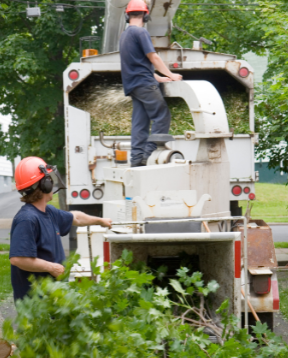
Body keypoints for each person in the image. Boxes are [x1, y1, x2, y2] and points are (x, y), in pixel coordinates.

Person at [9, 156, 112, 301]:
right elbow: (18, 258)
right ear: (44, 184)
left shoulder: (49, 212)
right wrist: (52, 267)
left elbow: (75, 217)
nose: (52, 182)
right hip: (36, 305)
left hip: (53, 298)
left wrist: (100, 221)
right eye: (49, 179)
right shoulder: (27, 219)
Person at [119, 0, 182, 167]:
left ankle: (136, 160)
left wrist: (158, 77)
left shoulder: (124, 36)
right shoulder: (140, 33)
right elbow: (152, 57)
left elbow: (136, 63)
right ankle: (148, 155)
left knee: (140, 122)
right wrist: (170, 74)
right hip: (145, 84)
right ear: (145, 15)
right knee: (162, 115)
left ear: (127, 15)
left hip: (134, 86)